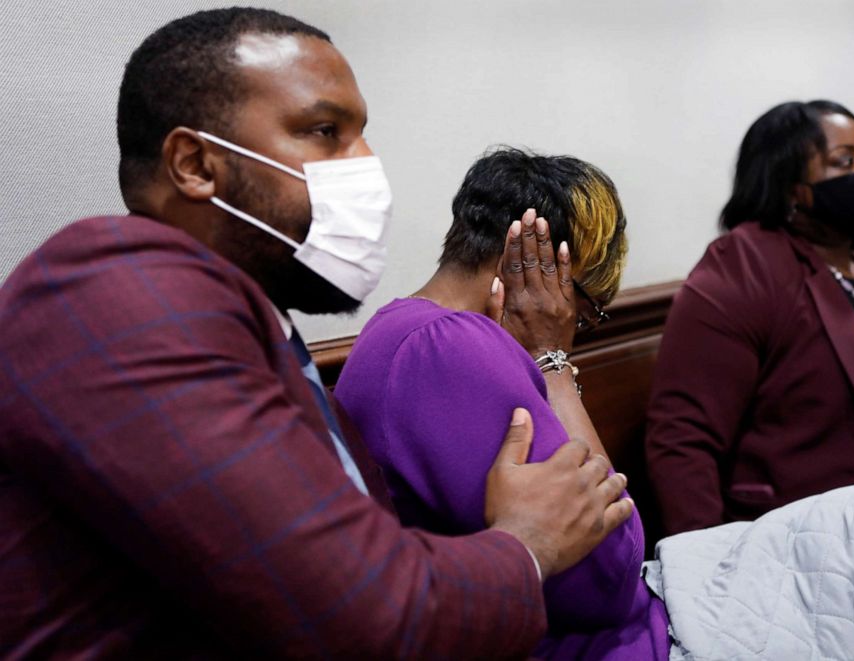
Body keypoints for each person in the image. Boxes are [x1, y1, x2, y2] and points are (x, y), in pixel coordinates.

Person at [0, 9, 634, 658]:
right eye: (324, 132)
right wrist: (527, 543)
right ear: (194, 164)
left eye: (362, 136)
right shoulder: (119, 293)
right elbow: (370, 616)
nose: (365, 167)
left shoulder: (238, 316)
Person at [336, 148, 671, 659]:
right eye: (578, 310)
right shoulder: (448, 347)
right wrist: (551, 359)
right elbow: (610, 572)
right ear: (528, 267)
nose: (568, 323)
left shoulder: (401, 325)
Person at [645, 100, 854, 538]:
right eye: (844, 161)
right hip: (849, 539)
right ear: (790, 186)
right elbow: (684, 434)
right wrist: (702, 566)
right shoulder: (746, 265)